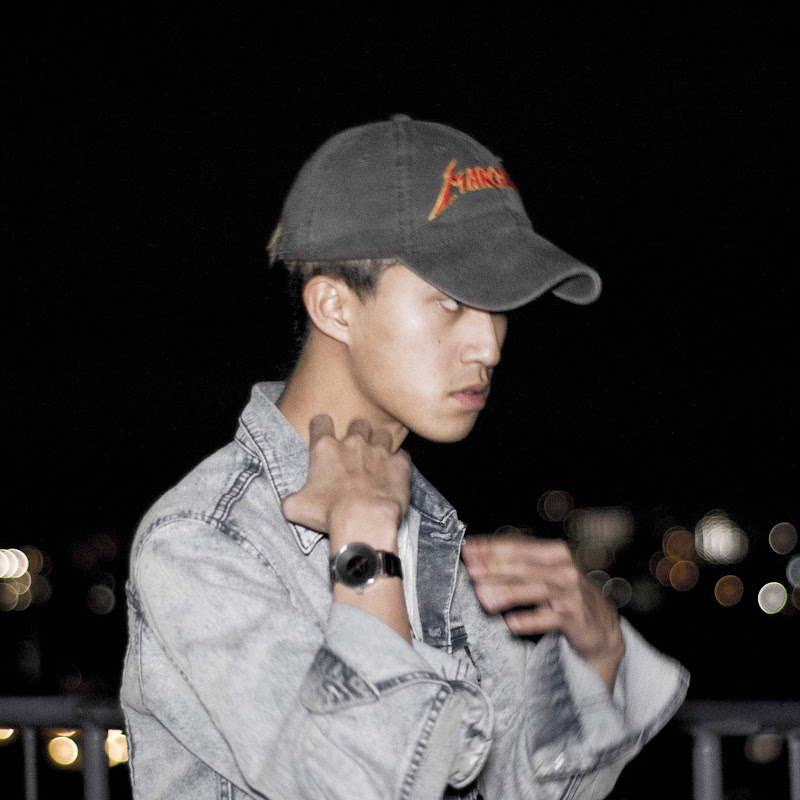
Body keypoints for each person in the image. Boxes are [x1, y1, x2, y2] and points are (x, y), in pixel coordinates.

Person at [121, 115, 688, 799]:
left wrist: (598, 659)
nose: (489, 345)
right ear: (335, 306)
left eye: (500, 305)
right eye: (450, 301)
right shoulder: (203, 541)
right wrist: (364, 548)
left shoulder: (426, 526)